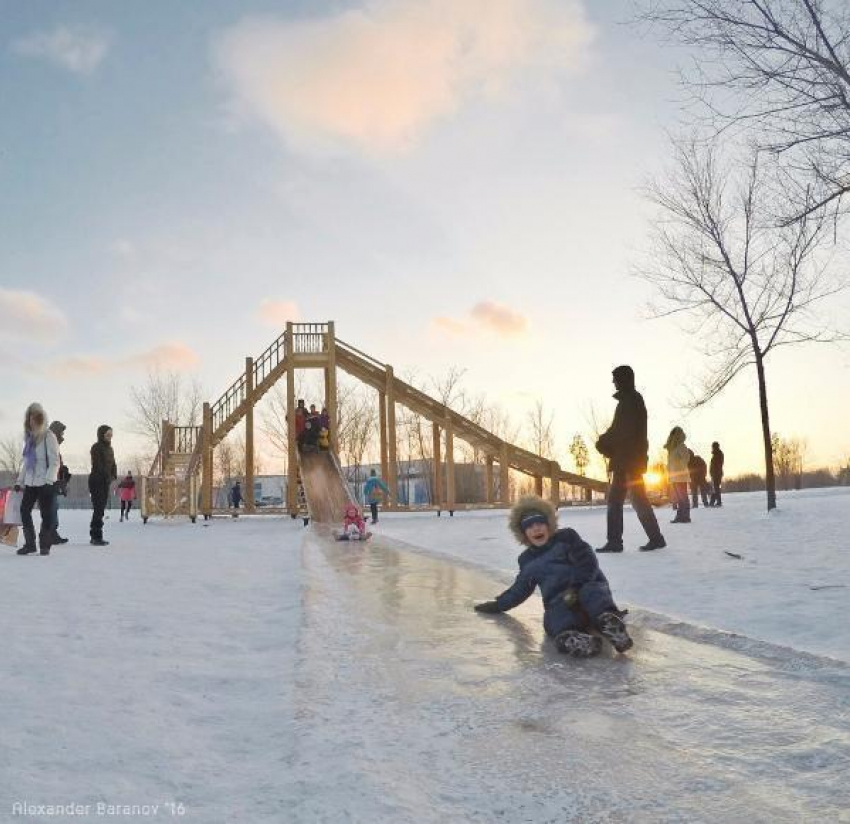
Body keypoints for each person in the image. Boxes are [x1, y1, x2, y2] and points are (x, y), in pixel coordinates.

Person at [473, 496, 633, 657]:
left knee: (592, 593)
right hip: (561, 602)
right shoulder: (527, 561)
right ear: (523, 534)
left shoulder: (567, 538)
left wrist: (576, 587)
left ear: (549, 524)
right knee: (553, 618)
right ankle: (574, 639)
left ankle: (609, 624)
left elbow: (587, 561)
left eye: (540, 523)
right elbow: (520, 589)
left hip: (585, 588)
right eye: (529, 526)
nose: (536, 529)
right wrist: (498, 605)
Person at [595, 365, 666, 552]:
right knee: (622, 500)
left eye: (615, 378)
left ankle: (621, 541)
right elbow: (617, 430)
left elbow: (622, 432)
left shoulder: (631, 401)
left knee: (629, 500)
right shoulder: (628, 401)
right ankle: (619, 541)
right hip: (626, 460)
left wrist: (603, 442)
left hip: (629, 461)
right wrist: (605, 441)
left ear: (624, 379)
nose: (613, 382)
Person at [15, 402, 59, 556]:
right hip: (30, 482)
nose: (31, 421)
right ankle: (30, 544)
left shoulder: (49, 436)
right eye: (29, 418)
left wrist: (48, 480)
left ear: (40, 419)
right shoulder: (29, 439)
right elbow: (27, 463)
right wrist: (19, 482)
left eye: (34, 418)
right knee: (24, 510)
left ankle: (45, 545)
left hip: (45, 481)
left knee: (46, 514)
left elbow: (54, 461)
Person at [89, 424, 117, 546]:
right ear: (101, 435)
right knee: (98, 508)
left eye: (111, 435)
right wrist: (106, 476)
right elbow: (98, 465)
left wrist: (113, 475)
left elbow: (113, 463)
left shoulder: (110, 449)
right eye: (107, 435)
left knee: (101, 509)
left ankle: (97, 535)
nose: (110, 437)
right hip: (96, 481)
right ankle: (95, 536)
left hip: (105, 481)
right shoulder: (96, 447)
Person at [48, 419, 71, 545]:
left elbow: (57, 464)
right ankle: (48, 534)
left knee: (54, 507)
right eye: (61, 433)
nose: (63, 436)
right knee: (50, 508)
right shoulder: (48, 445)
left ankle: (53, 533)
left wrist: (64, 472)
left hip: (55, 482)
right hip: (48, 483)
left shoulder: (55, 447)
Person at [665, 427, 691, 524]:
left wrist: (680, 466)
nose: (672, 436)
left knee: (683, 496)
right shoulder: (673, 448)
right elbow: (671, 462)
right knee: (679, 497)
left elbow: (686, 458)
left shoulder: (681, 446)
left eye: (674, 434)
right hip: (674, 476)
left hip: (681, 476)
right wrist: (669, 468)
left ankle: (685, 516)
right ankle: (680, 516)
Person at [709, 441, 725, 507]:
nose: (712, 448)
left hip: (716, 474)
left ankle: (719, 502)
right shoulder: (717, 454)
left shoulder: (717, 454)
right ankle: (712, 502)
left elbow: (717, 465)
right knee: (715, 488)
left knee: (716, 488)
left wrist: (713, 472)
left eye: (712, 447)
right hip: (716, 473)